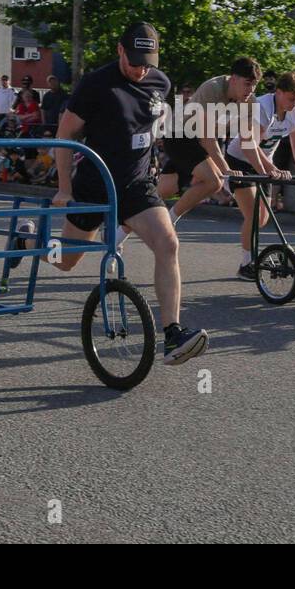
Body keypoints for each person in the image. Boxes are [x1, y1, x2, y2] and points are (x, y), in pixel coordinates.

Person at [50, 22, 208, 365]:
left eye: (147, 62)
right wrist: (64, 189)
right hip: (96, 184)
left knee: (168, 243)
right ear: (120, 50)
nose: (140, 69)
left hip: (137, 185)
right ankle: (28, 244)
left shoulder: (159, 82)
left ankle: (173, 335)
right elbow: (64, 135)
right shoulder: (95, 84)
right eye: (134, 60)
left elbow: (156, 128)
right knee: (64, 262)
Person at [225, 71, 295, 278]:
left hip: (264, 162)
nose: (294, 104)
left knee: (263, 218)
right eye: (291, 99)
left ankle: (249, 260)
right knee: (254, 215)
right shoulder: (261, 107)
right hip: (240, 159)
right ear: (279, 92)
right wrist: (272, 169)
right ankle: (246, 264)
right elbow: (251, 145)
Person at [156, 57, 260, 227]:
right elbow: (207, 139)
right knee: (214, 181)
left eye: (255, 84)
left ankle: (121, 224)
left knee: (164, 191)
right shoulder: (213, 88)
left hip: (197, 142)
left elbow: (248, 143)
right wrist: (227, 170)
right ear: (233, 79)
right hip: (179, 136)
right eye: (247, 83)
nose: (251, 89)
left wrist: (268, 171)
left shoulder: (250, 102)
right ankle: (169, 221)